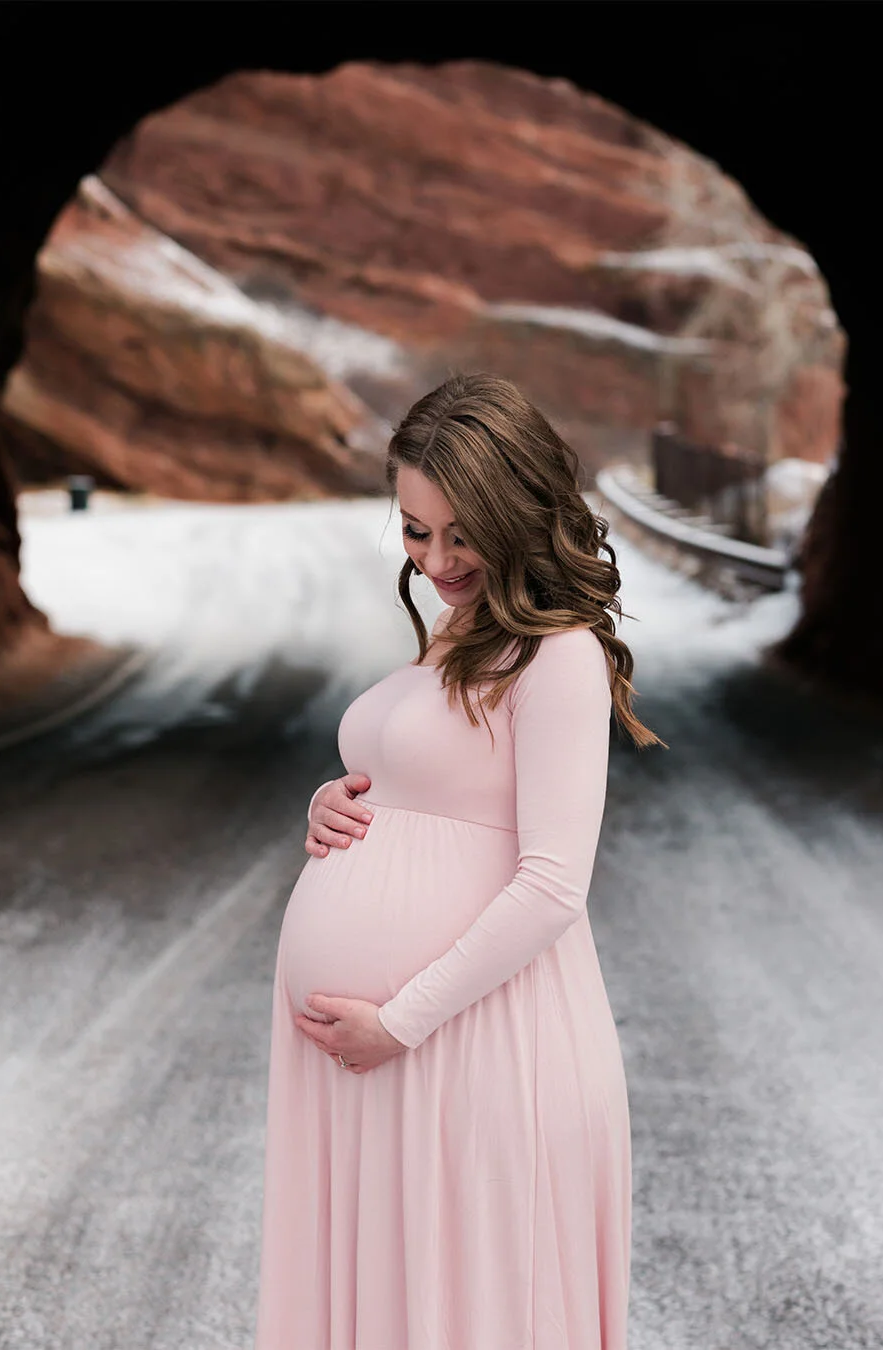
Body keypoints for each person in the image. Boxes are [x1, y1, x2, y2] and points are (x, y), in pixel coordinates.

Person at [253, 372, 665, 1350]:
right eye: (414, 530)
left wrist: (399, 1022)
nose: (436, 560)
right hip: (383, 1062)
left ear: (516, 512)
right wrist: (337, 798)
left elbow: (554, 885)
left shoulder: (557, 654)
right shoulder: (456, 631)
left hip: (471, 1049)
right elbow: (433, 784)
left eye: (462, 534)